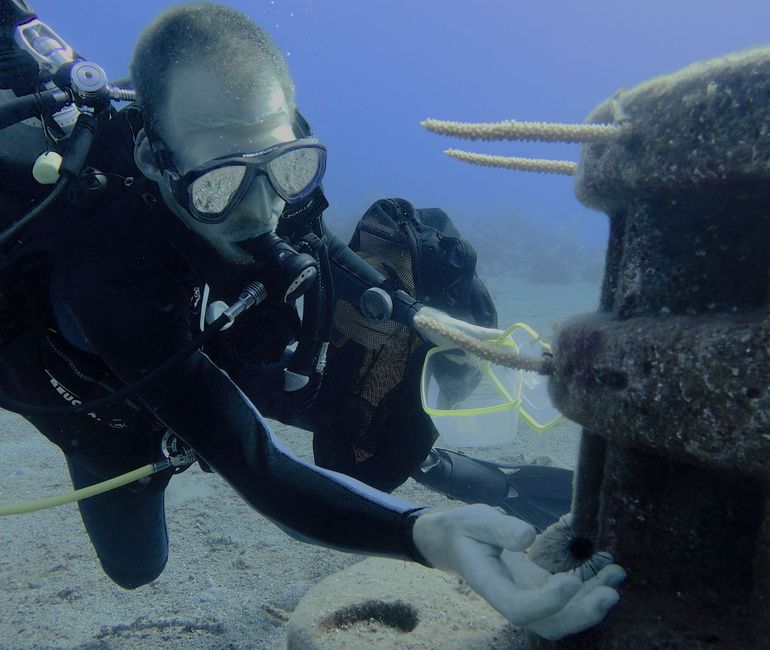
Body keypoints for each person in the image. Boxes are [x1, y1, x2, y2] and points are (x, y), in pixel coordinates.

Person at [0, 2, 624, 640]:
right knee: (137, 567)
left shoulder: (261, 160)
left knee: (311, 366)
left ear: (291, 132)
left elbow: (318, 240)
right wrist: (416, 531)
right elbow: (253, 459)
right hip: (106, 406)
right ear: (156, 160)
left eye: (286, 168)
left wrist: (408, 310)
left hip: (210, 338)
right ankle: (134, 452)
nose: (263, 211)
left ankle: (418, 454)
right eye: (220, 186)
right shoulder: (110, 278)